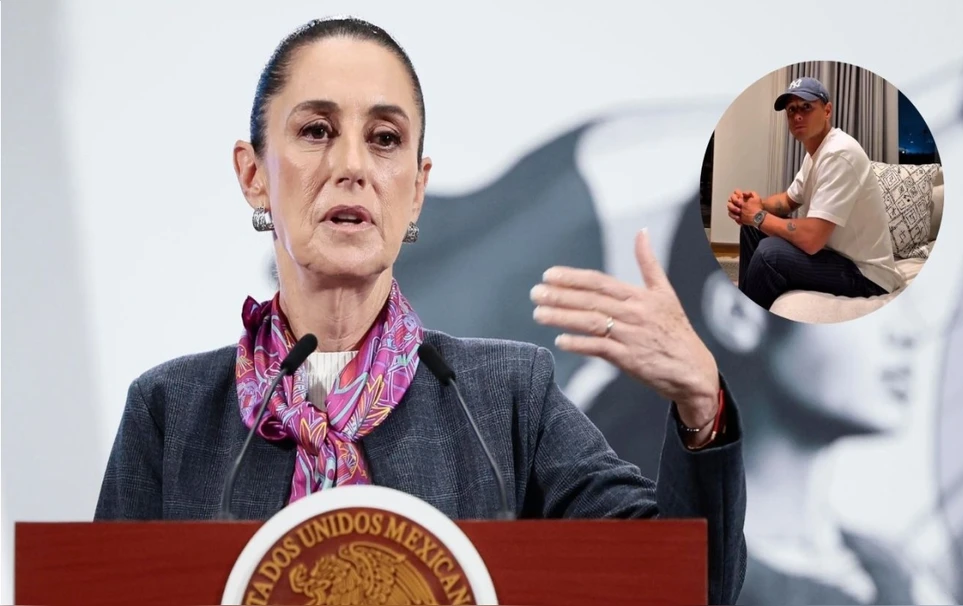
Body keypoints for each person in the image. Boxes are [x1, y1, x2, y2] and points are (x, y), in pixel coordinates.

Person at [94, 17, 747, 605]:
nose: (352, 166)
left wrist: (701, 403)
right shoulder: (171, 412)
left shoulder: (504, 399)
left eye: (384, 138)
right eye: (317, 131)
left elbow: (683, 585)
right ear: (253, 174)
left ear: (417, 191)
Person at [727, 77, 905, 311]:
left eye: (806, 107)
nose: (797, 116)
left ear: (827, 111)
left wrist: (758, 216)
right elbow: (787, 200)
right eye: (791, 110)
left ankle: (747, 319)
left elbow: (812, 240)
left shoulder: (839, 153)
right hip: (835, 256)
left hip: (867, 275)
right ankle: (750, 300)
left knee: (770, 254)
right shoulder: (815, 154)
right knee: (752, 229)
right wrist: (756, 204)